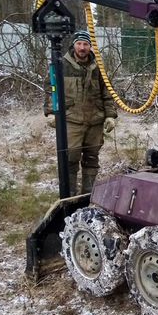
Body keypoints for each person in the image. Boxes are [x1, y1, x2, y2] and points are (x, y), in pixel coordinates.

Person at [44, 30, 117, 195]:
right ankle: (69, 196)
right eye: (79, 44)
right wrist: (51, 112)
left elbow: (107, 93)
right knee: (70, 159)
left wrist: (110, 116)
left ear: (90, 47)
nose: (82, 47)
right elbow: (51, 90)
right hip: (71, 121)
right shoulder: (61, 65)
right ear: (74, 45)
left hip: (95, 121)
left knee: (92, 158)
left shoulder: (98, 67)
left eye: (85, 44)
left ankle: (87, 195)